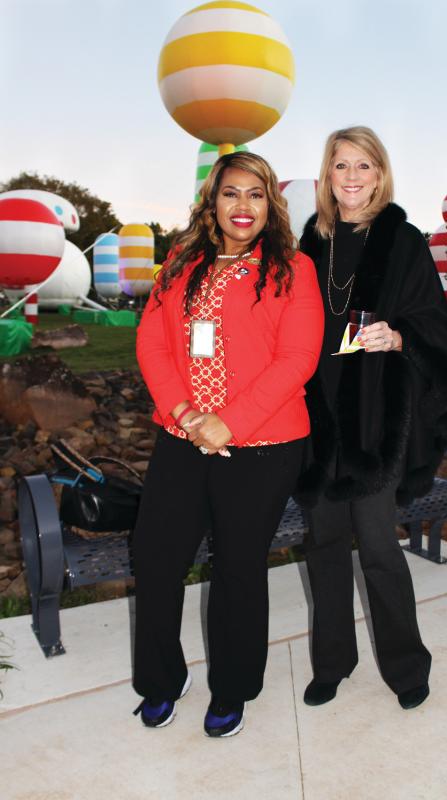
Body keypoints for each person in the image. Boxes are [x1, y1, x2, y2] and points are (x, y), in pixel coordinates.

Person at [132, 151, 324, 737]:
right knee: (156, 559)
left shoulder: (293, 268)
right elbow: (151, 343)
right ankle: (161, 680)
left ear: (271, 204)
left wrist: (229, 423)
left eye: (256, 194)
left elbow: (298, 358)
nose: (243, 206)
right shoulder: (180, 263)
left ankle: (233, 688)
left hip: (264, 444)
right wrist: (187, 413)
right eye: (231, 192)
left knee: (238, 566)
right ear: (212, 200)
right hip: (182, 434)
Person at [295, 126, 447, 710]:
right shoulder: (311, 243)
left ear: (380, 174)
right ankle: (332, 663)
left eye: (363, 165)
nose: (352, 176)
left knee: (377, 545)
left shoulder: (404, 241)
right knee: (324, 542)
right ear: (328, 175)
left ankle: (407, 667)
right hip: (317, 416)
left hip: (375, 417)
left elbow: (436, 323)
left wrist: (399, 336)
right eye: (341, 165)